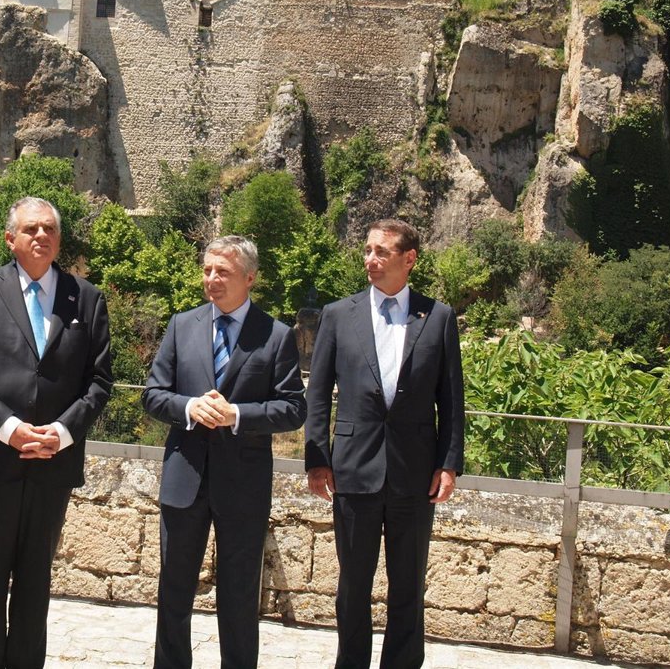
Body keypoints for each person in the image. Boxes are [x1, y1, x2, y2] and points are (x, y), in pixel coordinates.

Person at [0, 196, 112, 669]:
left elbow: (99, 381)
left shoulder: (86, 298)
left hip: (53, 463)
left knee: (36, 582)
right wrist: (10, 429)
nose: (41, 235)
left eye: (49, 229)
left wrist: (62, 432)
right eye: (31, 229)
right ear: (10, 239)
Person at [305, 218, 465, 669]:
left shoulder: (438, 317)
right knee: (353, 584)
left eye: (382, 252)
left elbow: (452, 399)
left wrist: (449, 463)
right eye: (368, 250)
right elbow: (318, 394)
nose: (371, 260)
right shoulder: (339, 314)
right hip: (353, 470)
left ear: (408, 259)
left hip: (415, 473)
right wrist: (317, 458)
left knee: (409, 585)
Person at [143, 235, 306, 669]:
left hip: (243, 486)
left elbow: (293, 409)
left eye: (223, 272)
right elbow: (153, 395)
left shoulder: (276, 335)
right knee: (174, 591)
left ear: (249, 278)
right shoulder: (182, 325)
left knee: (239, 595)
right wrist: (189, 407)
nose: (211, 279)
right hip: (185, 479)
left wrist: (237, 415)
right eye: (207, 270)